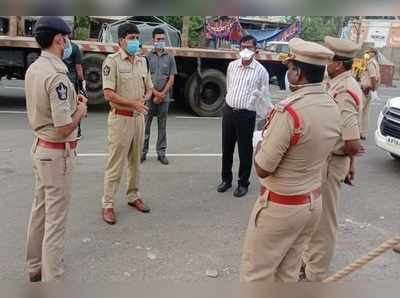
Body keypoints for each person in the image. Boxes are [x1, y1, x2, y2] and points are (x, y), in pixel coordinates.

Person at [240, 38, 341, 282]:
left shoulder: (289, 111)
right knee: (288, 273)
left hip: (281, 206)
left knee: (256, 275)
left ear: (298, 72)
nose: (288, 73)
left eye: (290, 68)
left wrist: (259, 141)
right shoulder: (331, 104)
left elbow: (263, 168)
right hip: (310, 203)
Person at [25, 16, 88, 282]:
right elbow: (63, 127)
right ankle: (53, 279)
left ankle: (35, 267)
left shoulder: (35, 67)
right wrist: (81, 111)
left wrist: (74, 105)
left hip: (41, 147)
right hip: (56, 152)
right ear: (59, 39)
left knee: (39, 211)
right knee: (55, 220)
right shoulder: (57, 76)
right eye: (66, 37)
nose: (68, 42)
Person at [301, 36, 364, 282]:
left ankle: (316, 272)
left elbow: (352, 139)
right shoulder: (337, 82)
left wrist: (348, 158)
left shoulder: (345, 89)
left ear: (338, 63)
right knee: (314, 216)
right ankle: (308, 262)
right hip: (328, 160)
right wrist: (351, 164)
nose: (326, 62)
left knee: (324, 221)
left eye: (329, 59)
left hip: (330, 162)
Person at [101, 23, 153, 225]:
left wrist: (145, 98)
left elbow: (149, 87)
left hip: (138, 119)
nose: (135, 41)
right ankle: (108, 204)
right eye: (131, 37)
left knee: (135, 162)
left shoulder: (142, 62)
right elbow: (108, 94)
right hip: (120, 119)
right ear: (121, 40)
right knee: (116, 164)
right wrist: (134, 103)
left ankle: (133, 196)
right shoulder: (111, 62)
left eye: (137, 38)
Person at [217, 35, 270, 198]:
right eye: (243, 47)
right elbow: (229, 86)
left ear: (256, 50)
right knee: (227, 148)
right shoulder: (232, 66)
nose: (245, 50)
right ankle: (226, 179)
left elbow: (264, 97)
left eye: (249, 47)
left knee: (245, 150)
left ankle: (243, 183)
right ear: (239, 49)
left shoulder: (261, 72)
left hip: (246, 115)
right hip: (229, 111)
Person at [142, 27, 177, 165]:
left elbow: (172, 78)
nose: (161, 41)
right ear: (153, 40)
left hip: (164, 98)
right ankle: (142, 153)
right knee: (146, 126)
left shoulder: (170, 57)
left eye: (163, 39)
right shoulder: (147, 57)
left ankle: (161, 153)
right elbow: (144, 77)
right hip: (149, 97)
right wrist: (155, 93)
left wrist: (162, 94)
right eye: (158, 39)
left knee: (162, 126)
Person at [63, 40, 85, 139]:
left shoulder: (57, 47)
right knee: (75, 105)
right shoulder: (75, 48)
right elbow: (78, 67)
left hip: (61, 79)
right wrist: (82, 82)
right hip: (72, 80)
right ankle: (77, 130)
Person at [360, 47, 381, 140]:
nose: (366, 53)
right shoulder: (374, 62)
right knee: (365, 113)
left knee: (360, 112)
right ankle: (363, 133)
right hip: (369, 90)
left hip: (366, 90)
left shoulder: (370, 63)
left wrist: (373, 87)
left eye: (368, 52)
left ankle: (359, 132)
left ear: (373, 53)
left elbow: (373, 77)